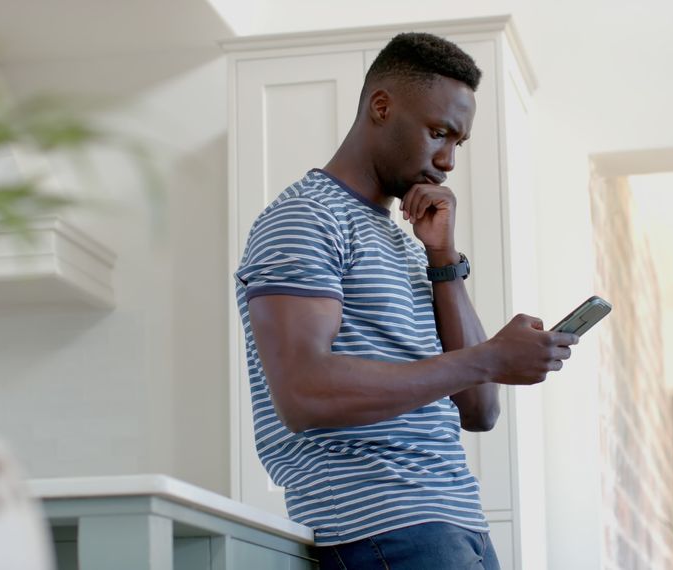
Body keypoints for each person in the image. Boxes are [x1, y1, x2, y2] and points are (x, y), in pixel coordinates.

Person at [234, 32, 578, 569]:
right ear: (381, 106)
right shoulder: (304, 219)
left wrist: (443, 259)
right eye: (438, 133)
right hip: (383, 525)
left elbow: (480, 409)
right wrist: (489, 356)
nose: (447, 161)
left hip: (458, 522)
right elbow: (303, 393)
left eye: (458, 143)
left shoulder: (404, 239)